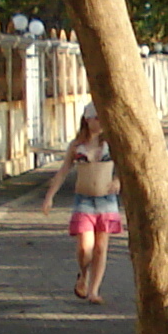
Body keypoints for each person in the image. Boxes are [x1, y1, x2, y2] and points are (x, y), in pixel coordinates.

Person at [40, 107, 121, 303]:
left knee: (101, 247)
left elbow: (125, 164)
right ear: (87, 119)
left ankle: (94, 290)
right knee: (85, 247)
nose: (100, 122)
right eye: (96, 118)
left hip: (106, 200)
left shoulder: (111, 143)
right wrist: (50, 196)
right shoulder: (77, 145)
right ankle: (83, 274)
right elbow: (63, 170)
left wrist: (118, 180)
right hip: (84, 199)